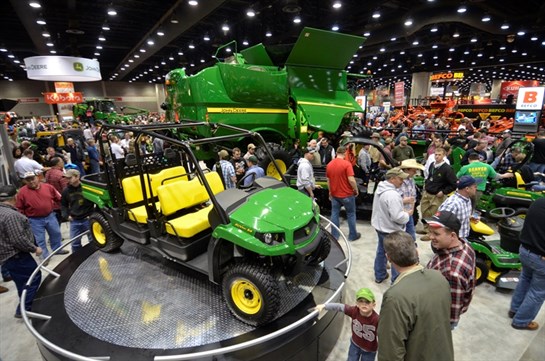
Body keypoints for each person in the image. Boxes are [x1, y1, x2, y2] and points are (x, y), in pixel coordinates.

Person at [377, 231, 453, 361]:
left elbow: (390, 351)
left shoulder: (395, 297)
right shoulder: (439, 278)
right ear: (417, 252)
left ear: (388, 257)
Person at [424, 210, 476, 329]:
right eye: (430, 232)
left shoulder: (452, 272)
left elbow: (451, 312)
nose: (431, 237)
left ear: (452, 235)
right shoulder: (464, 244)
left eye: (436, 234)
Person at [0, 184, 43, 318]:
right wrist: (34, 248)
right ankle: (25, 308)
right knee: (33, 278)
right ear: (15, 196)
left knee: (22, 282)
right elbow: (18, 239)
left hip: (7, 257)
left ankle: (23, 307)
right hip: (16, 256)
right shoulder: (11, 215)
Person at [509, 198, 545, 331]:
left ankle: (515, 309)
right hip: (540, 258)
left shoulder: (538, 202)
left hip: (525, 250)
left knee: (525, 279)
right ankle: (521, 321)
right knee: (538, 292)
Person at [313, 288, 379, 361]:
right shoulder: (354, 311)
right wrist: (324, 306)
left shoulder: (377, 320)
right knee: (351, 359)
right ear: (357, 303)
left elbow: (386, 336)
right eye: (361, 301)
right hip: (355, 344)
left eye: (367, 302)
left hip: (369, 350)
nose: (364, 304)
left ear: (374, 304)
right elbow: (339, 307)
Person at [15, 172, 67, 260]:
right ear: (25, 181)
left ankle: (57, 249)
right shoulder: (22, 192)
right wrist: (24, 220)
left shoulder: (48, 187)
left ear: (37, 178)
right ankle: (45, 256)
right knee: (40, 239)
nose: (31, 182)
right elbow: (20, 208)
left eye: (33, 179)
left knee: (56, 233)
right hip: (34, 220)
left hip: (50, 215)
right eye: (28, 180)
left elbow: (59, 198)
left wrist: (63, 208)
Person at [372, 167, 410, 283]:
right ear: (392, 179)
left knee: (381, 251)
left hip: (380, 227)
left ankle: (380, 275)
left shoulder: (380, 188)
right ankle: (396, 281)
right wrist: (407, 215)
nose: (402, 181)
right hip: (390, 230)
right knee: (395, 256)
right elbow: (397, 217)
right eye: (400, 179)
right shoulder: (392, 195)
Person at [419, 147, 457, 240]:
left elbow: (453, 184)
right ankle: (426, 229)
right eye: (436, 154)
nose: (437, 156)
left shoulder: (447, 168)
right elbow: (429, 176)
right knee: (424, 211)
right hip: (427, 192)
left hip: (437, 195)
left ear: (444, 156)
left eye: (439, 155)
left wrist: (443, 192)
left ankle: (431, 233)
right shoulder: (432, 164)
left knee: (433, 214)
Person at [326, 146, 360, 242]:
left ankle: (335, 236)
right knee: (351, 214)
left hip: (335, 194)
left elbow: (328, 180)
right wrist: (356, 189)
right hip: (347, 194)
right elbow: (351, 179)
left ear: (336, 153)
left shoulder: (329, 164)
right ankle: (352, 235)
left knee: (335, 213)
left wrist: (330, 192)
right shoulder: (347, 164)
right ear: (345, 153)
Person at [436, 175, 479, 241]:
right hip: (453, 241)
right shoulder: (452, 204)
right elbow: (440, 224)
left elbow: (458, 217)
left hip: (462, 238)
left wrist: (469, 218)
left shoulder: (467, 199)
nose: (476, 188)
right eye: (475, 187)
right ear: (467, 189)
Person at [61, 170, 95, 253]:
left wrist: (93, 215)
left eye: (70, 178)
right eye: (67, 178)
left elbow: (96, 201)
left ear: (77, 177)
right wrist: (66, 216)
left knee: (93, 240)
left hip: (88, 219)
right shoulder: (66, 191)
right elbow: (63, 205)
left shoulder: (87, 188)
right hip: (74, 221)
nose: (67, 180)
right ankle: (77, 260)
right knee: (75, 243)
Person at [398, 159, 424, 241]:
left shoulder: (411, 180)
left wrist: (411, 210)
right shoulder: (399, 181)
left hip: (409, 214)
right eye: (414, 170)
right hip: (400, 214)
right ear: (407, 170)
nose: (415, 172)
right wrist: (405, 201)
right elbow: (393, 200)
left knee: (412, 237)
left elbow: (413, 197)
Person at [45, 157, 69, 225]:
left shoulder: (47, 173)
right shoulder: (61, 175)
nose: (63, 163)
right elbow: (65, 189)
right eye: (62, 161)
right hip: (60, 202)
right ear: (58, 164)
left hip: (51, 202)